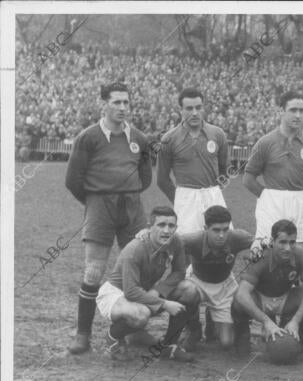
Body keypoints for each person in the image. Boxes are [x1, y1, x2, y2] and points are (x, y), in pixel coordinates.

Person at [65, 82, 152, 354]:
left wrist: (128, 196)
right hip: (100, 206)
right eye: (116, 102)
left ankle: (135, 330)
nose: (122, 108)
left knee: (138, 267)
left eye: (126, 102)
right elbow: (72, 180)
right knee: (93, 270)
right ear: (103, 103)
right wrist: (95, 202)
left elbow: (146, 177)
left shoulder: (139, 137)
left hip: (132, 207)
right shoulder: (88, 137)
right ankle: (83, 335)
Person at [96, 206, 198, 361]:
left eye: (171, 226)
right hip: (116, 293)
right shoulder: (135, 249)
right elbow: (130, 292)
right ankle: (112, 337)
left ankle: (168, 346)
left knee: (189, 289)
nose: (166, 230)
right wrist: (164, 303)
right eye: (161, 225)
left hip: (143, 290)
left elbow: (179, 272)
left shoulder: (175, 241)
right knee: (140, 314)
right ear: (150, 228)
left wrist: (158, 291)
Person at [231, 220, 303, 355]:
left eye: (292, 242)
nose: (288, 248)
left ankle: (294, 329)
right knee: (238, 303)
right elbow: (242, 294)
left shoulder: (301, 254)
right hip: (261, 298)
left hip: (284, 297)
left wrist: (296, 321)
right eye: (283, 242)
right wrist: (266, 321)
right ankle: (243, 334)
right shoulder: (261, 255)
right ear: (272, 241)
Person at [243, 91, 303, 243]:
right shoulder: (265, 142)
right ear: (281, 112)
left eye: (301, 111)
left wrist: (299, 196)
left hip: (300, 202)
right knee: (268, 249)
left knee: (301, 250)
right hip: (271, 203)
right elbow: (248, 178)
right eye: (293, 110)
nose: (298, 115)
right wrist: (268, 196)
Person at [180, 206, 255, 351]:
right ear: (205, 228)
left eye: (225, 229)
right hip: (197, 280)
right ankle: (193, 328)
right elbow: (166, 243)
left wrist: (256, 253)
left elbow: (268, 243)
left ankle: (212, 318)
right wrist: (145, 234)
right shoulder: (193, 239)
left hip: (224, 285)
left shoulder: (237, 237)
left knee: (227, 342)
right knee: (186, 291)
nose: (221, 235)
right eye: (216, 230)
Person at [157, 87, 230, 235]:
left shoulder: (217, 134)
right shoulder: (169, 139)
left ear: (204, 108)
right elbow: (162, 179)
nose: (195, 113)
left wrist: (213, 191)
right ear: (180, 110)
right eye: (189, 108)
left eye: (198, 107)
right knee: (186, 245)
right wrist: (180, 198)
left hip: (213, 195)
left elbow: (225, 169)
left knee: (221, 242)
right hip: (186, 198)